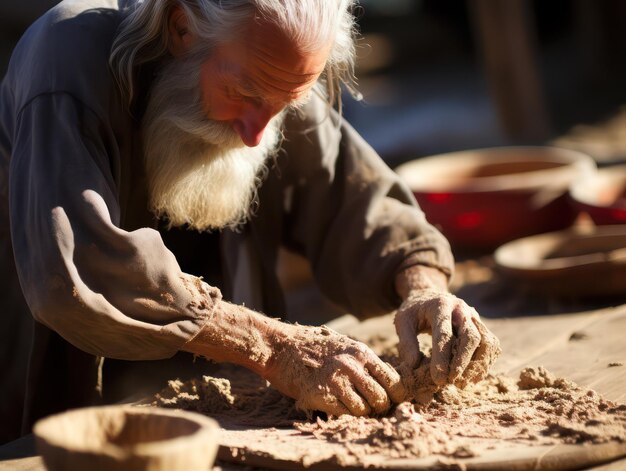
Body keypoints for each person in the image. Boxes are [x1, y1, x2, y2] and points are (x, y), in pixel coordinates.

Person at [0, 0, 500, 443]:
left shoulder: (271, 69)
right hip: (67, 390)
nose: (257, 134)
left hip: (225, 399)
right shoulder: (65, 56)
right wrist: (273, 346)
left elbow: (364, 204)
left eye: (284, 104)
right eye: (246, 93)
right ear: (180, 28)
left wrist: (423, 289)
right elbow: (74, 270)